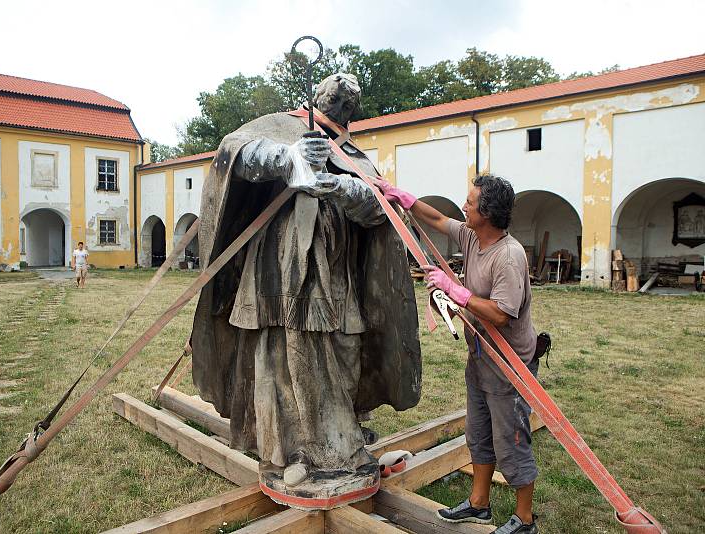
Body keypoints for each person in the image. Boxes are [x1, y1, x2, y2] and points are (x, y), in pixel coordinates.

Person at [191, 73, 421, 492]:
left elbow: (379, 208)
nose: (339, 106)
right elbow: (234, 152)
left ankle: (342, 437)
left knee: (346, 354)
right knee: (286, 363)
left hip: (338, 279)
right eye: (333, 98)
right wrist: (288, 157)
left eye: (347, 103)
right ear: (317, 97)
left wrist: (340, 186)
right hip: (280, 278)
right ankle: (296, 453)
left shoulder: (354, 156)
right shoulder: (280, 128)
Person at [377, 174, 539, 534]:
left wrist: (456, 292)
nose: (464, 206)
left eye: (470, 202)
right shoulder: (471, 235)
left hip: (509, 365)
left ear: (488, 212)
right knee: (478, 433)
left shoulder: (509, 257)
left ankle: (525, 520)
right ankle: (479, 504)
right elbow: (435, 219)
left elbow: (500, 313)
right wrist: (405, 198)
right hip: (481, 356)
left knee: (511, 440)